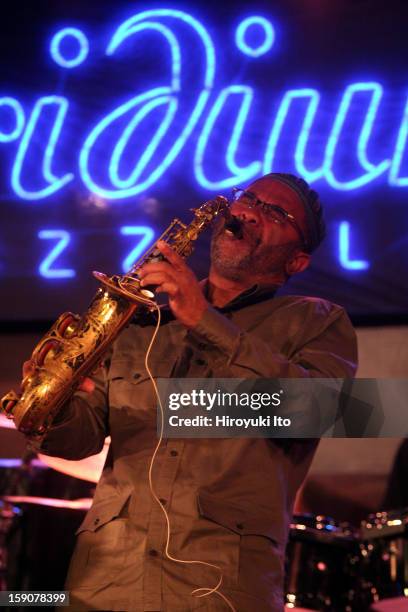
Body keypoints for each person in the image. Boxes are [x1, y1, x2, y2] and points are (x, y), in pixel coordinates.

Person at [26, 173, 357, 611]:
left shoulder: (316, 321)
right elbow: (81, 438)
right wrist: (51, 405)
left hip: (220, 589)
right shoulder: (143, 323)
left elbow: (319, 411)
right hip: (103, 585)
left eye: (274, 212)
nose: (248, 211)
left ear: (297, 262)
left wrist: (205, 320)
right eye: (247, 198)